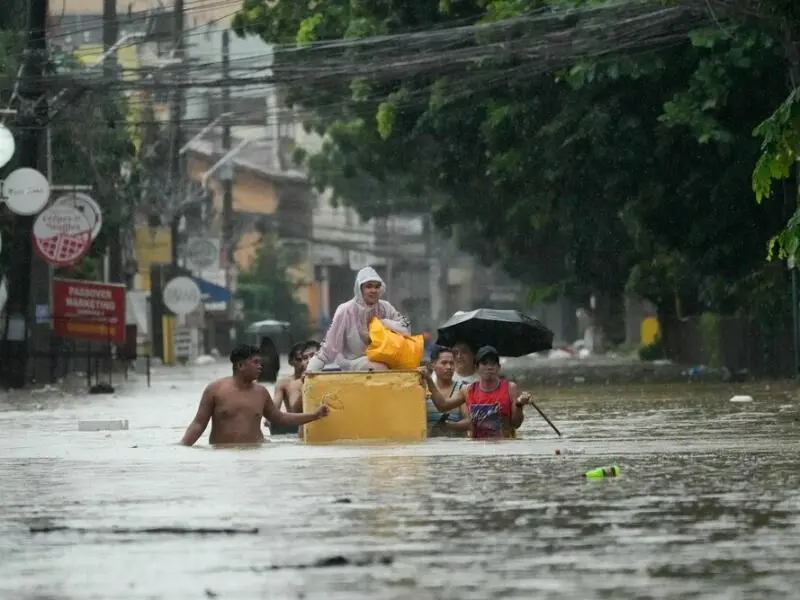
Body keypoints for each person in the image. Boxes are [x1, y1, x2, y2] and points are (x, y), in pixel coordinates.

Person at [180, 344, 329, 447]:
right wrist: (182, 448)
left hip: (256, 454)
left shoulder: (261, 392)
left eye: (260, 362)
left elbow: (280, 418)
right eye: (255, 362)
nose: (260, 366)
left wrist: (314, 415)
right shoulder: (215, 390)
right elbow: (198, 424)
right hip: (222, 456)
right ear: (240, 366)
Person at [306, 266, 410, 372]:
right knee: (380, 369)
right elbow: (329, 347)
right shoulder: (345, 310)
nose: (373, 290)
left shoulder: (385, 307)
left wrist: (384, 323)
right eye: (369, 286)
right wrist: (310, 371)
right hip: (353, 361)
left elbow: (406, 328)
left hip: (384, 357)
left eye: (377, 287)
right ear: (360, 289)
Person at [422, 345, 531, 440]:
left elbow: (516, 424)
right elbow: (442, 405)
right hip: (478, 448)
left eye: (493, 364)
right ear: (477, 367)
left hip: (504, 446)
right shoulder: (468, 390)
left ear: (499, 367)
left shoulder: (510, 387)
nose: (489, 367)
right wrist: (428, 379)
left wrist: (519, 405)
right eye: (485, 363)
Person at [424, 346, 467, 437]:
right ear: (433, 365)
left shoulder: (462, 389)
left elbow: (469, 421)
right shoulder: (424, 391)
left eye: (452, 363)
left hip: (456, 446)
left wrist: (451, 426)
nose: (449, 367)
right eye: (444, 363)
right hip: (430, 447)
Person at [272, 340, 320, 412]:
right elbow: (273, 413)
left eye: (311, 357)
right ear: (290, 361)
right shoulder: (284, 383)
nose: (302, 362)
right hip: (296, 421)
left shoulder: (325, 379)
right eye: (299, 359)